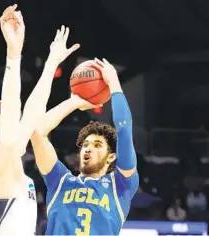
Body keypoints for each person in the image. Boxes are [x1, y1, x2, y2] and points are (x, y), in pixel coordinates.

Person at [0, 5, 80, 236]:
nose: (19, 120)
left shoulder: (9, 161)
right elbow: (13, 110)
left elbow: (32, 112)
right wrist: (13, 54)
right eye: (13, 119)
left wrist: (52, 63)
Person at [31, 58, 139, 235]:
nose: (88, 148)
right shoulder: (60, 181)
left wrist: (114, 83)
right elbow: (38, 133)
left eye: (97, 145)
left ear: (111, 156)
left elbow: (124, 130)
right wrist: (74, 102)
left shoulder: (120, 186)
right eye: (86, 144)